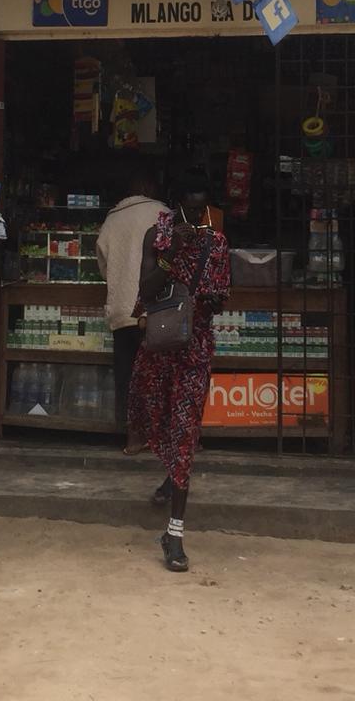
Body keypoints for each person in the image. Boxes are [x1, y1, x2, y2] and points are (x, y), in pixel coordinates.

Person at [129, 174, 230, 573]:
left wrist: (205, 295)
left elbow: (220, 299)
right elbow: (146, 288)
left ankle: (174, 534)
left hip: (195, 350)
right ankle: (172, 474)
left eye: (201, 209)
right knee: (158, 420)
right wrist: (173, 254)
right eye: (189, 209)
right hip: (159, 349)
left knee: (185, 434)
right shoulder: (156, 237)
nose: (195, 216)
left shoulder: (217, 244)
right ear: (177, 207)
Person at [95, 172, 167, 453]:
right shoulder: (163, 214)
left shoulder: (112, 219)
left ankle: (133, 437)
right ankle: (160, 434)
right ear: (149, 187)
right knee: (159, 374)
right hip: (155, 309)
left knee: (127, 375)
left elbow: (103, 266)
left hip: (123, 309)